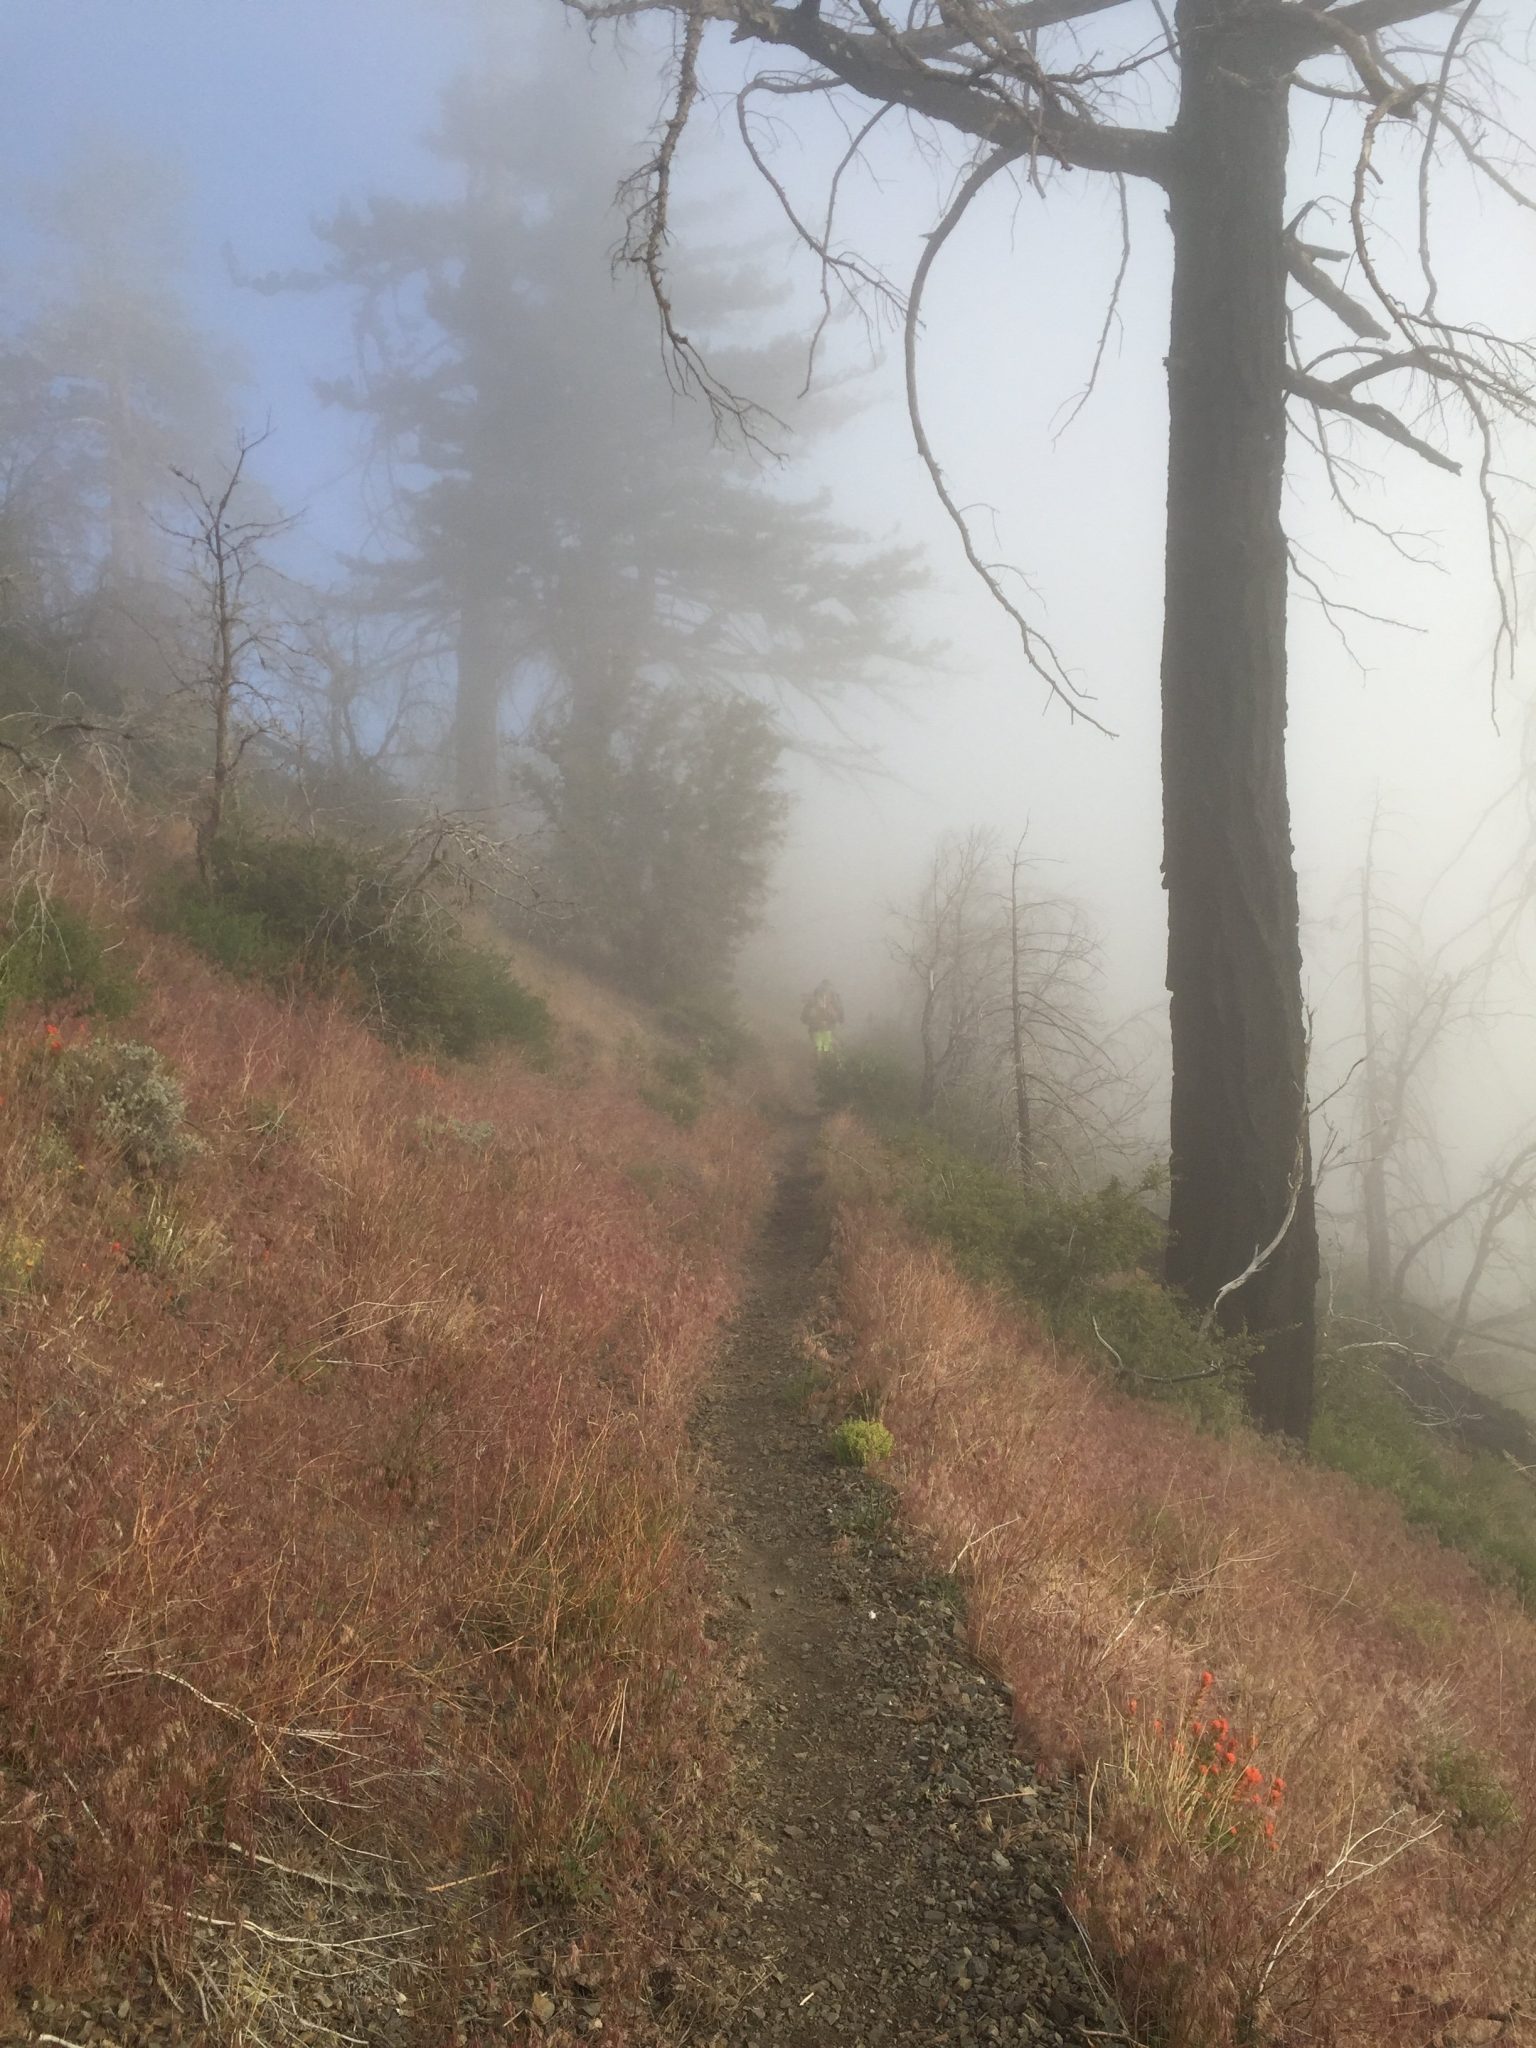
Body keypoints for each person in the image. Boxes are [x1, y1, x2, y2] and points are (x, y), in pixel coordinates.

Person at [801, 978, 844, 1058]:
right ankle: (830, 1060)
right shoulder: (833, 998)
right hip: (826, 1026)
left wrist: (808, 1021)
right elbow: (840, 1012)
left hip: (816, 1027)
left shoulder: (814, 998)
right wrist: (839, 1020)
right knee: (828, 1043)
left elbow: (804, 1016)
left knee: (820, 1044)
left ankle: (822, 1058)